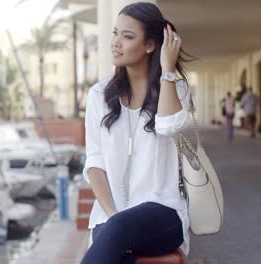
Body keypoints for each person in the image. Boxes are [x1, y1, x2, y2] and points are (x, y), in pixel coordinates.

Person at [81, 2, 193, 263]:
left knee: (114, 236)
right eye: (115, 33)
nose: (116, 42)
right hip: (111, 216)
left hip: (162, 211)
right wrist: (112, 214)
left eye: (127, 36)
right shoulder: (99, 95)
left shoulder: (175, 90)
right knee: (114, 237)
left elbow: (168, 126)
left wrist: (168, 71)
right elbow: (95, 164)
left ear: (150, 46)